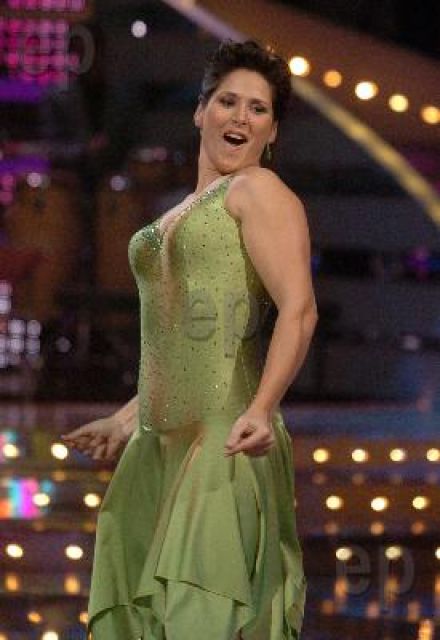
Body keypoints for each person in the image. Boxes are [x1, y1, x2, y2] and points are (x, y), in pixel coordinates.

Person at [62, 39, 318, 640]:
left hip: (221, 441)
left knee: (200, 617)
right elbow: (182, 345)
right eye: (228, 101)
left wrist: (262, 408)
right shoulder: (181, 209)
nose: (240, 116)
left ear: (273, 131)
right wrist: (126, 420)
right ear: (200, 112)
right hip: (157, 445)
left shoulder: (257, 190)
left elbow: (299, 310)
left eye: (258, 108)